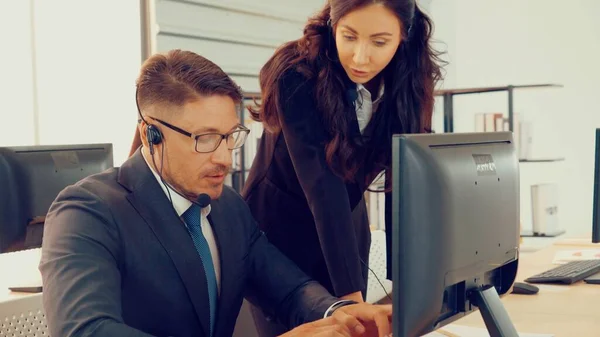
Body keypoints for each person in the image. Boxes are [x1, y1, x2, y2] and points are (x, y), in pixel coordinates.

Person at [38, 49, 394, 337]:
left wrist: (341, 313)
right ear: (151, 136)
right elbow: (85, 330)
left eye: (229, 137)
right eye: (204, 139)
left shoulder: (229, 209)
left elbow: (289, 288)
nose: (223, 157)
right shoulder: (86, 212)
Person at [241, 0, 444, 335]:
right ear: (332, 24)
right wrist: (351, 300)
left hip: (346, 227)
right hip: (278, 237)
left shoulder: (407, 80)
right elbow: (323, 184)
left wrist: (410, 285)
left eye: (379, 42)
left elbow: (404, 178)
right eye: (349, 36)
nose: (361, 57)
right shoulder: (297, 74)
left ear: (404, 36)